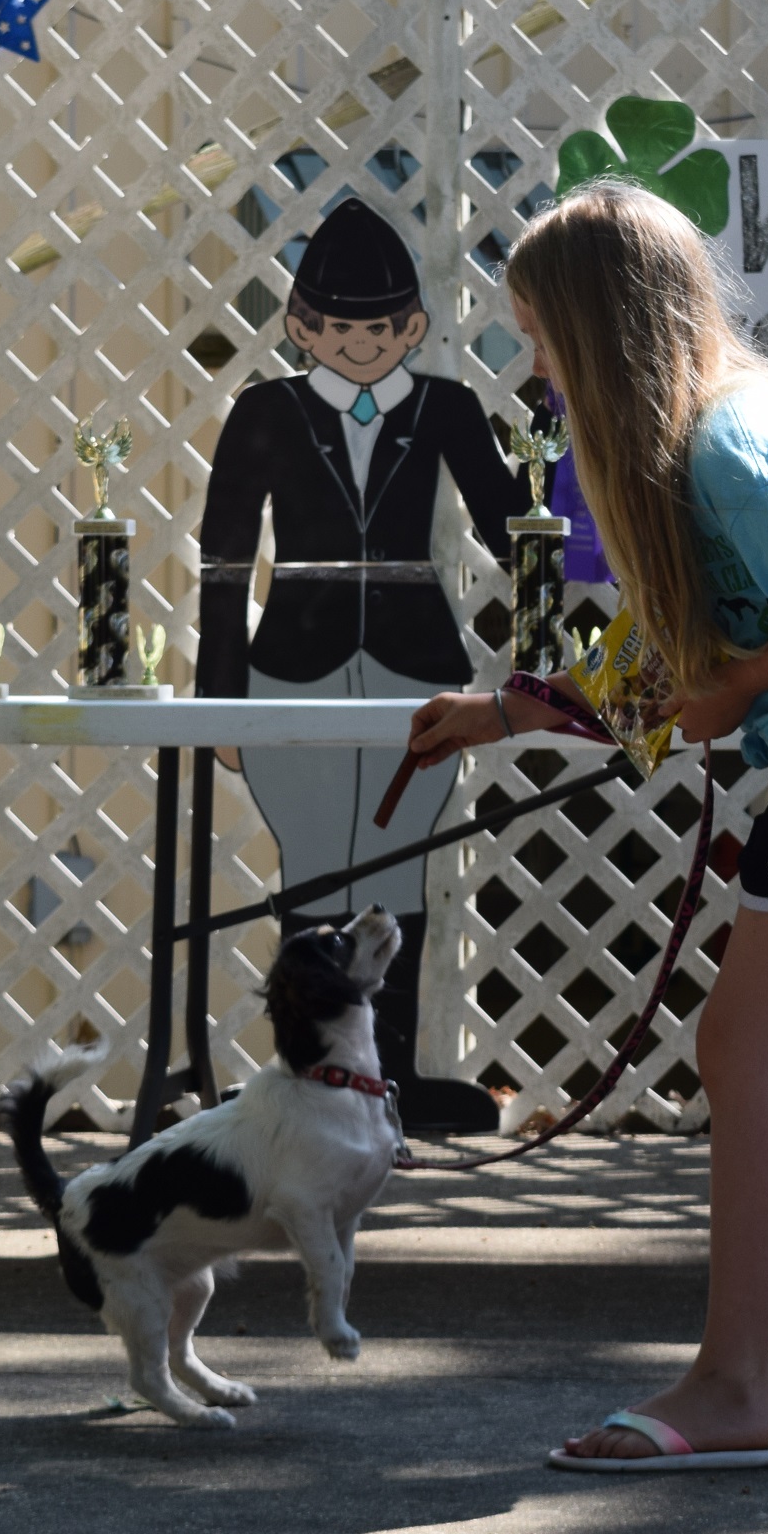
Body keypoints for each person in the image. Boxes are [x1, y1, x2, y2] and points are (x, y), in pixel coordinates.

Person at [407, 181, 768, 1472]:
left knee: (739, 1052)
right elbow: (683, 656)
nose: (533, 367)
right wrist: (508, 711)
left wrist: (731, 692)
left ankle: (730, 1389)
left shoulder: (730, 445)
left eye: (543, 337)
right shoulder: (717, 435)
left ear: (605, 329)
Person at [197, 197, 522, 1133]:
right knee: (311, 872)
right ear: (302, 327)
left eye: (381, 328)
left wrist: (557, 456)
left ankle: (394, 1080)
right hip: (289, 661)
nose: (361, 343)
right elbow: (222, 559)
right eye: (339, 327)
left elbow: (510, 531)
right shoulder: (265, 409)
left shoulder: (450, 409)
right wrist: (219, 702)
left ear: (412, 326)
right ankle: (305, 1079)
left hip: (416, 661)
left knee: (397, 873)